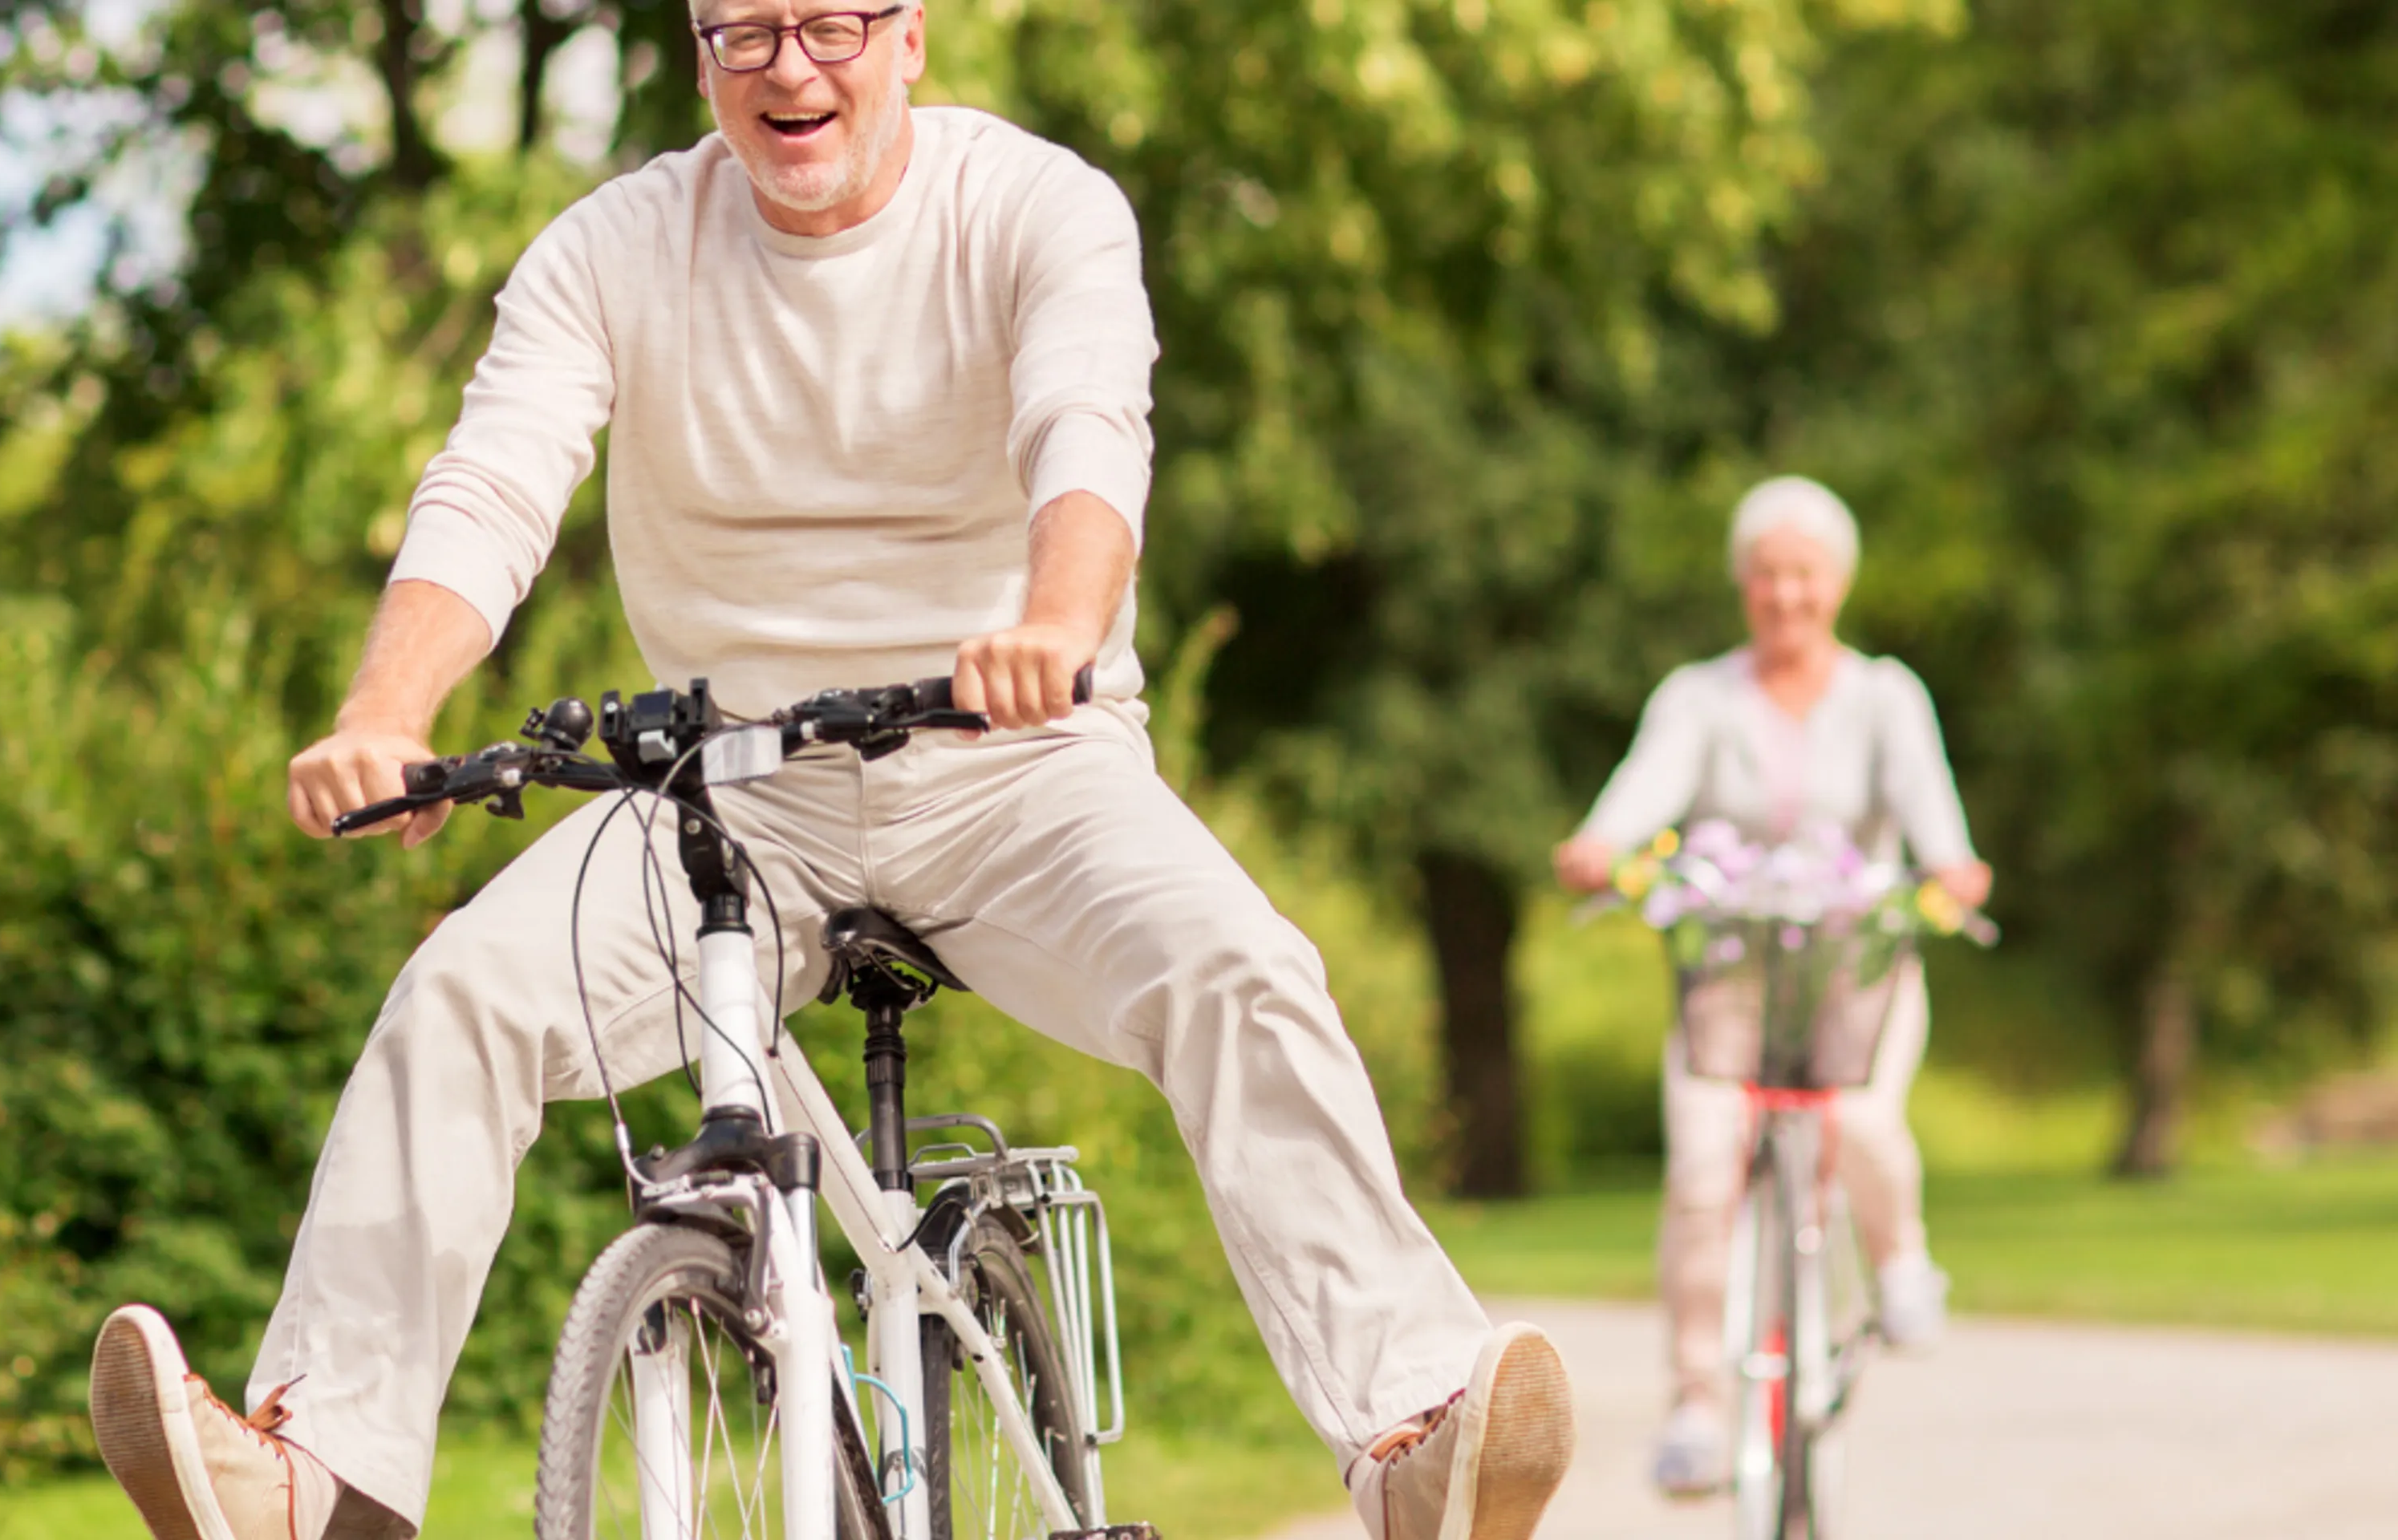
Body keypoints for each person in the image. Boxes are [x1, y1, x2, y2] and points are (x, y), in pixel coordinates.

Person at [84, 5, 1577, 1538]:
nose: (791, 66)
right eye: (744, 32)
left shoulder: (1033, 206)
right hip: (733, 795)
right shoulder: (613, 248)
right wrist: (382, 711)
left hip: (1015, 765)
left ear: (910, 39)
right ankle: (317, 1477)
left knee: (1242, 970)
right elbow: (495, 478)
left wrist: (1055, 625)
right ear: (701, 52)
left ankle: (1410, 1438)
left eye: (832, 22)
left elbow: (1086, 426)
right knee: (461, 996)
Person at [1550, 475, 1991, 1497]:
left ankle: (1900, 1263)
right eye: (1766, 575)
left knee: (1865, 1123)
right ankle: (1698, 1406)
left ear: (1836, 584)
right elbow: (1642, 789)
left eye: (1804, 575)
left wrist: (1953, 869)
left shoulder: (1887, 696)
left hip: (1857, 970)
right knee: (1703, 1168)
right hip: (1732, 978)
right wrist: (1601, 845)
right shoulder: (1700, 697)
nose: (1785, 595)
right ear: (1743, 585)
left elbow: (1936, 821)